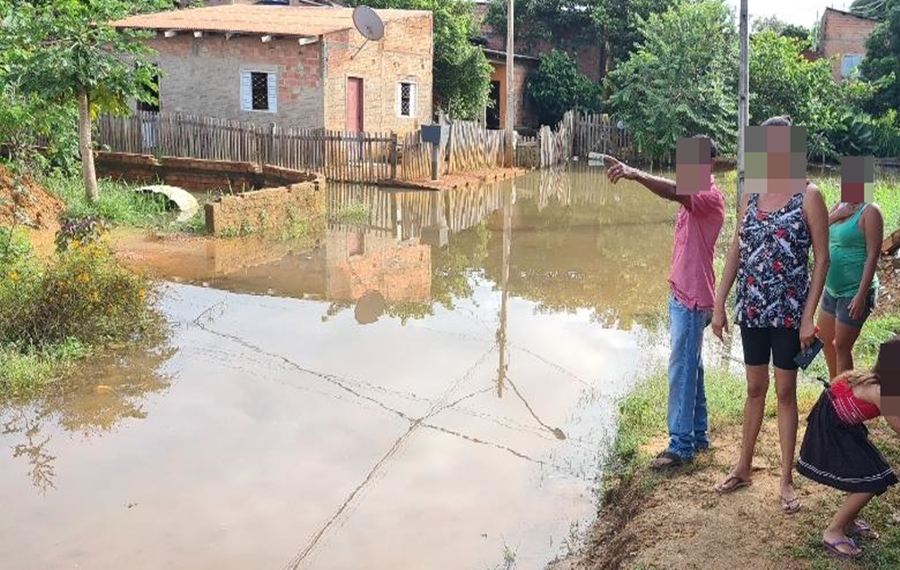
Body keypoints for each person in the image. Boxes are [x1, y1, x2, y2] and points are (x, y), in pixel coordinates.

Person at [712, 116, 830, 514]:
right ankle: (743, 467)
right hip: (753, 308)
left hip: (789, 313)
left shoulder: (809, 194)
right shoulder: (751, 192)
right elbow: (735, 250)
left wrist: (809, 315)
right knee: (754, 389)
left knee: (784, 392)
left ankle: (785, 479)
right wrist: (719, 303)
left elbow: (822, 259)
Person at [605, 137, 726, 469]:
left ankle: (680, 446)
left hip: (693, 299)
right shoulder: (693, 198)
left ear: (710, 164)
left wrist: (634, 174)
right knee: (693, 368)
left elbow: (673, 190)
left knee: (681, 369)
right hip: (684, 294)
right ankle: (698, 436)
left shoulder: (708, 197)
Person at [796, 336, 900, 559]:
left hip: (838, 420)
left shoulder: (869, 376)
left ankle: (849, 520)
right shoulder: (882, 392)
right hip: (833, 429)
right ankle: (833, 532)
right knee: (872, 479)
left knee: (867, 472)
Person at [817, 199, 884, 379]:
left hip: (854, 291)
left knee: (841, 345)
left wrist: (861, 296)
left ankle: (843, 397)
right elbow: (820, 227)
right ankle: (834, 389)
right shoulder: (839, 205)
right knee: (824, 339)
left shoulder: (870, 211)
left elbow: (873, 256)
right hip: (831, 289)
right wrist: (838, 214)